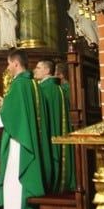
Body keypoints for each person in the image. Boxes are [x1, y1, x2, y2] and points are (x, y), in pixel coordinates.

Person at [0, 50, 46, 209]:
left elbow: (8, 118)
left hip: (19, 144)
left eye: (9, 64)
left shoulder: (18, 85)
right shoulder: (34, 84)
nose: (7, 68)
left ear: (16, 64)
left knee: (16, 185)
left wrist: (4, 106)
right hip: (29, 141)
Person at [37, 60, 76, 193]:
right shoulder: (60, 88)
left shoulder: (43, 89)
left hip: (49, 133)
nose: (35, 70)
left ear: (47, 71)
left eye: (38, 67)